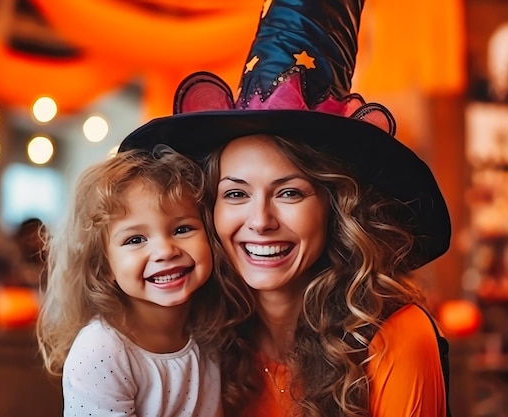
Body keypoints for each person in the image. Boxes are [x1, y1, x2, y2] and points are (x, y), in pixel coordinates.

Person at [118, 0, 452, 416]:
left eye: (289, 193)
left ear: (337, 205)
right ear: (210, 210)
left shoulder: (397, 339)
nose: (259, 221)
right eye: (236, 194)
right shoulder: (198, 337)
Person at [36, 148, 222, 417]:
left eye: (182, 229)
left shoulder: (212, 329)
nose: (165, 251)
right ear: (104, 265)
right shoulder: (102, 351)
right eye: (135, 240)